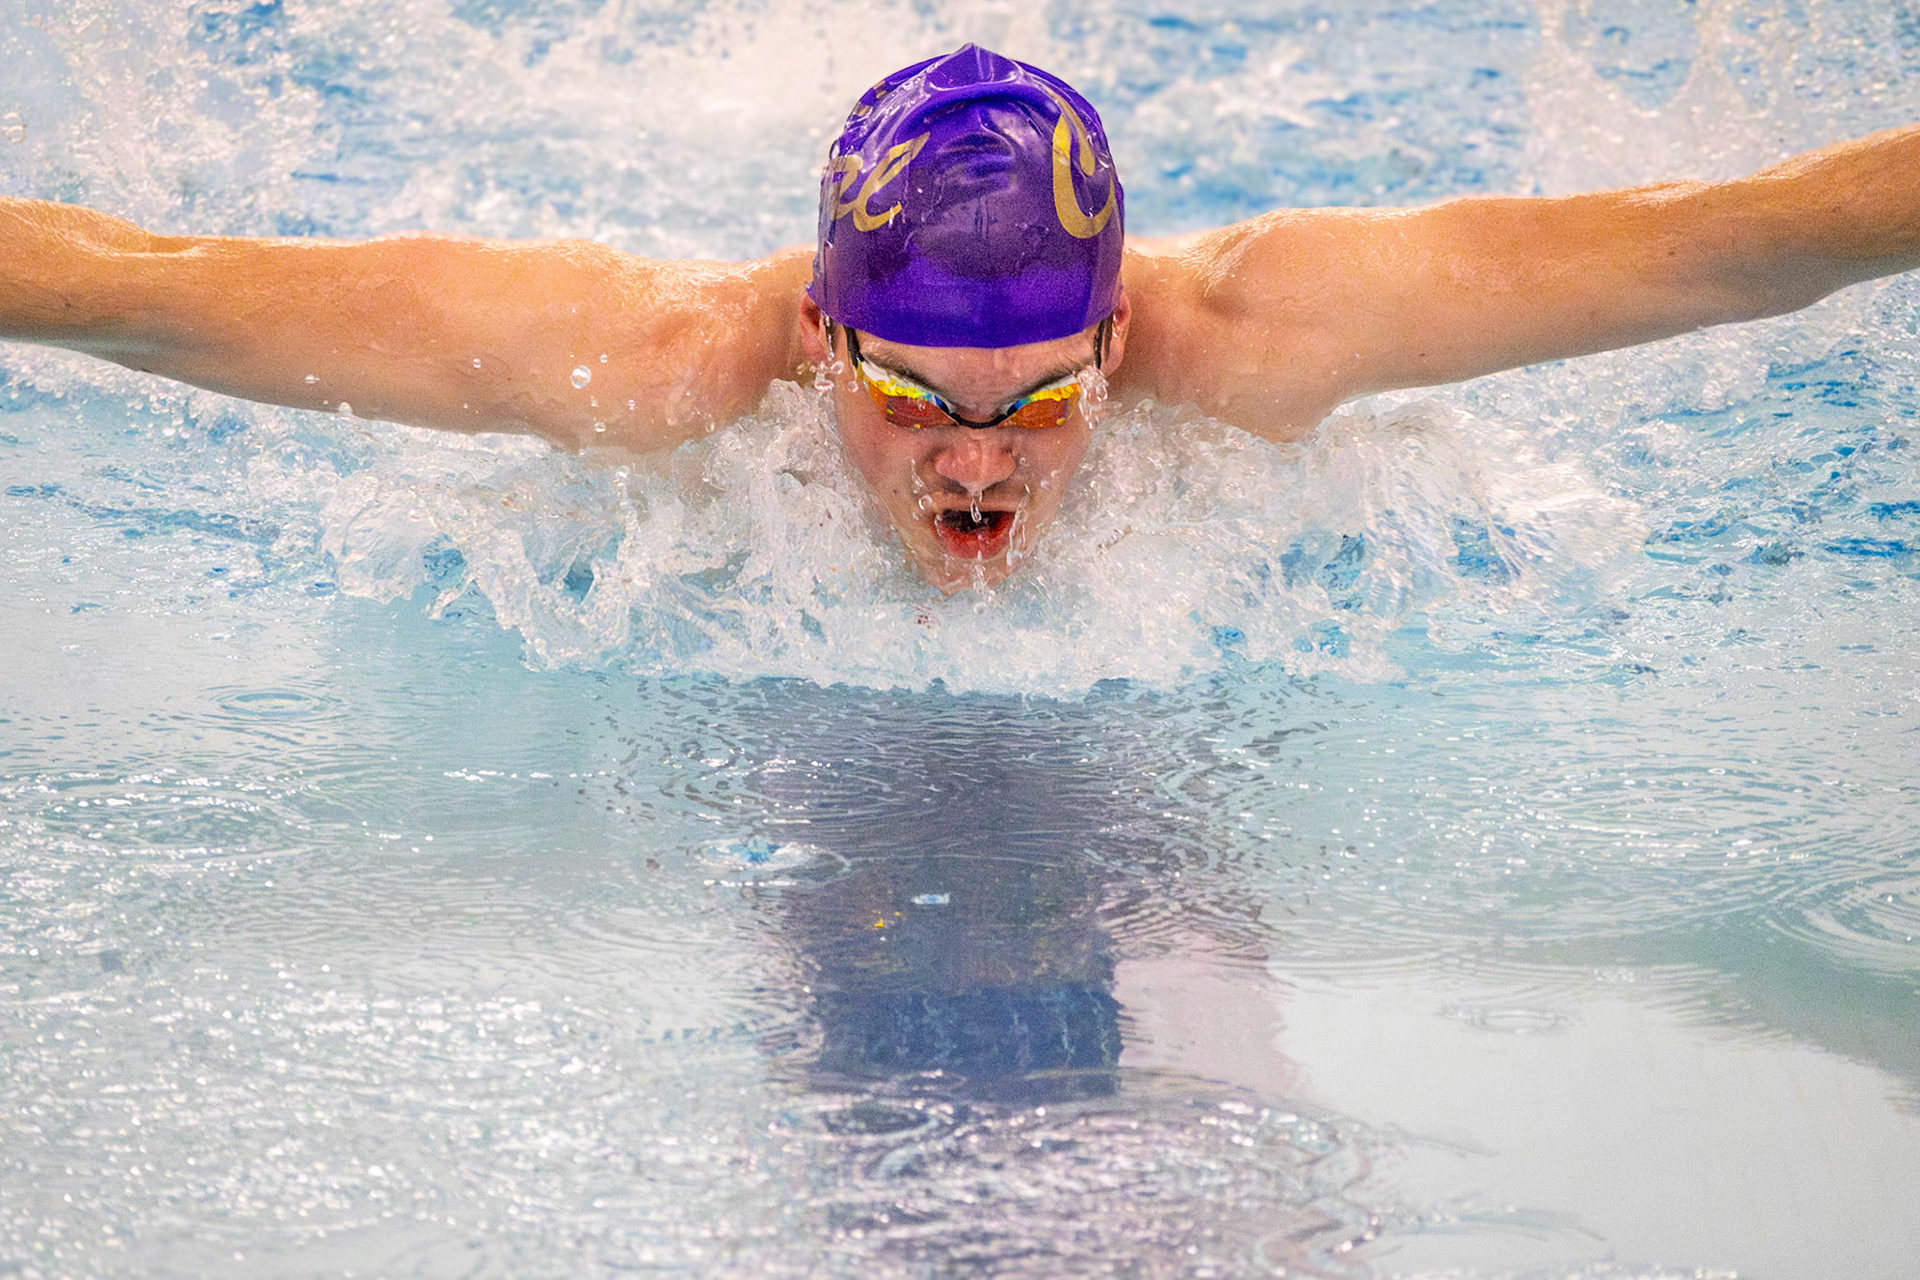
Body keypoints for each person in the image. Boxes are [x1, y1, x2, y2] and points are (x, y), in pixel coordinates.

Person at [2, 44, 1916, 594]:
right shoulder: (664, 366)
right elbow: (167, 304)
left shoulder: (1245, 336)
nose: (976, 459)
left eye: (1044, 402)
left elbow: (1733, 244)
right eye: (915, 391)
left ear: (1117, 338)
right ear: (821, 343)